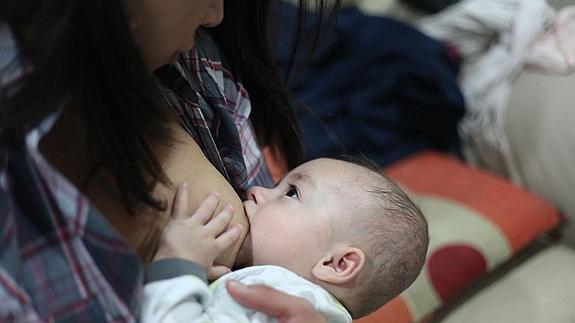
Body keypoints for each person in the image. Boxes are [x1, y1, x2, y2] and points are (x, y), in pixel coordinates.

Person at [0, 0, 342, 321]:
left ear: (340, 263)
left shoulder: (182, 57)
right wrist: (177, 274)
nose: (216, 14)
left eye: (291, 192)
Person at [141, 158, 429, 322]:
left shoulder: (276, 294)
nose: (255, 190)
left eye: (291, 193)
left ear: (337, 264)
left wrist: (179, 264)